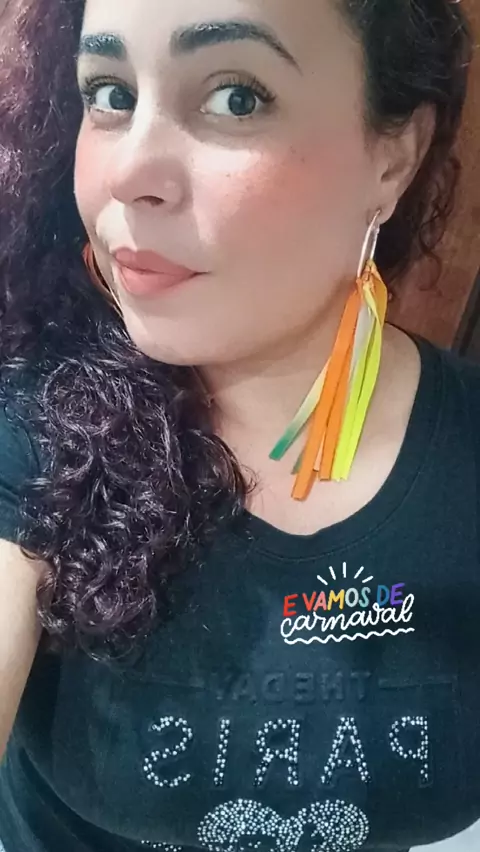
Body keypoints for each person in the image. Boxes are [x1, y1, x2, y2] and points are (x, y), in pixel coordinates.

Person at [0, 0, 477, 849]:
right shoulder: (33, 429)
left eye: (236, 97)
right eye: (109, 94)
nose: (128, 172)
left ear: (393, 156)